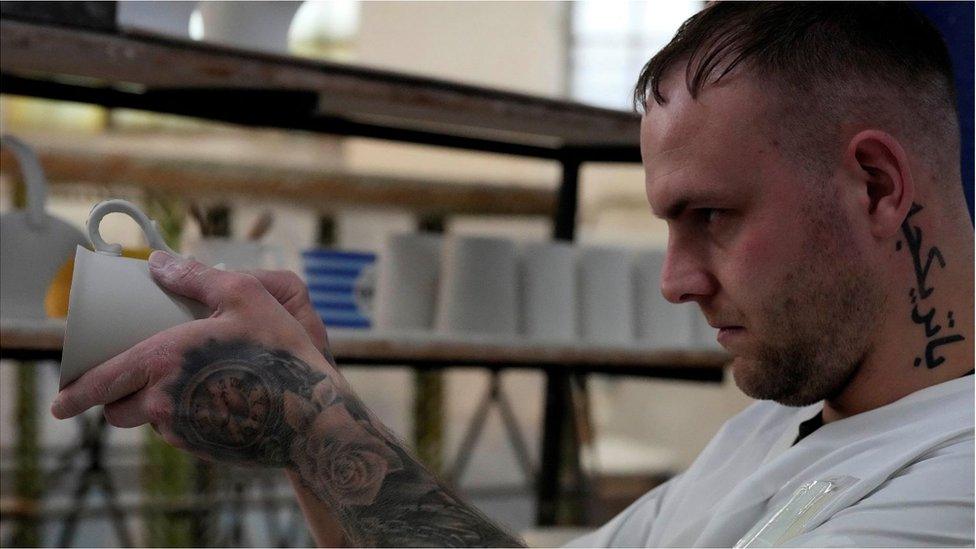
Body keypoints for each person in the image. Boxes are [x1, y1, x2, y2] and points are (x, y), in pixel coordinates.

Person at [50, 2, 973, 547]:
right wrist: (313, 413)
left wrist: (309, 417)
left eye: (711, 216)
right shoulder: (770, 433)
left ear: (877, 185)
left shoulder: (955, 478)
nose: (676, 281)